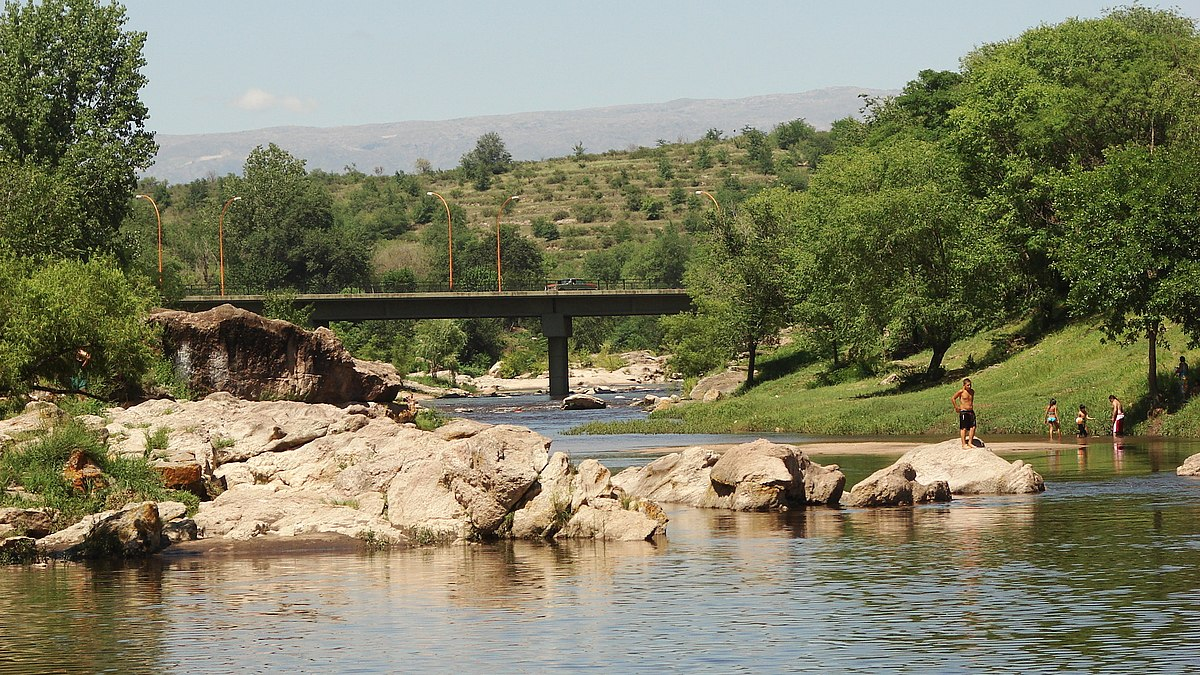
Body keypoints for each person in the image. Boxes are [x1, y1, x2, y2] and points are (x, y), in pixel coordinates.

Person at [952, 377, 977, 449]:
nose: (969, 386)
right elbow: (953, 398)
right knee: (964, 428)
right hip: (964, 411)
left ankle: (970, 442)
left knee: (973, 427)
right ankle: (963, 444)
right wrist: (956, 407)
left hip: (971, 411)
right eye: (968, 385)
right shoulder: (961, 392)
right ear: (964, 385)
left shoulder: (972, 391)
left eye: (970, 385)